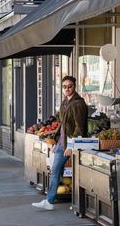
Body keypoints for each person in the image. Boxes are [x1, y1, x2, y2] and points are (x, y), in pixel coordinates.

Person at [32, 75, 87, 210]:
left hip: (70, 143)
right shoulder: (65, 102)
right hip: (61, 142)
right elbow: (61, 123)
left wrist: (71, 146)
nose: (67, 89)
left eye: (70, 86)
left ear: (75, 86)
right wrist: (55, 140)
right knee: (56, 171)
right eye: (64, 87)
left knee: (56, 170)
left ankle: (50, 201)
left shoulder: (79, 104)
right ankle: (64, 200)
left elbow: (80, 128)